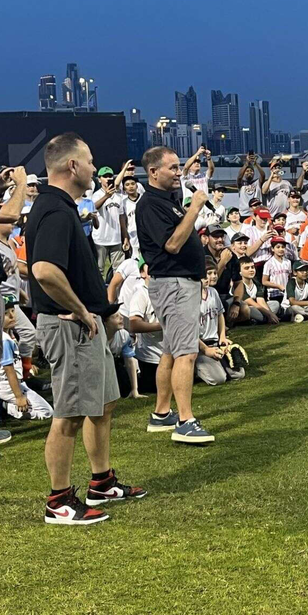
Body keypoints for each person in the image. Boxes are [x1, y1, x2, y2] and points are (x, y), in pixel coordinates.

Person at [26, 133, 145, 524]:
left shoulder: (60, 206)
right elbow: (44, 271)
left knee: (103, 404)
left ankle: (101, 481)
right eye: (90, 160)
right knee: (70, 414)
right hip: (69, 328)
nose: (94, 167)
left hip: (85, 324)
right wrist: (80, 309)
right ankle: (58, 500)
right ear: (72, 166)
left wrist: (100, 310)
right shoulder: (56, 210)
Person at [135, 146, 213, 443]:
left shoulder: (167, 200)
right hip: (174, 283)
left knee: (170, 350)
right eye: (173, 168)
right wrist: (194, 208)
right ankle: (185, 420)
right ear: (153, 172)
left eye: (179, 167)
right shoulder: (150, 205)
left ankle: (161, 412)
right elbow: (172, 244)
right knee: (186, 352)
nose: (179, 172)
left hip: (179, 282)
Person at [0, 295, 53, 420]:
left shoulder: (6, 335)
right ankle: (3, 406)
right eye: (5, 313)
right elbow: (9, 369)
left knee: (44, 409)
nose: (11, 316)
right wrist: (19, 396)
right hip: (7, 385)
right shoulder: (4, 339)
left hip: (8, 384)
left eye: (13, 311)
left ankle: (4, 405)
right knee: (46, 412)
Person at [0, 217, 37, 379]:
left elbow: (10, 273)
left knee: (8, 339)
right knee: (28, 333)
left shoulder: (7, 242)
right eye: (7, 221)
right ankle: (24, 373)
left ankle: (14, 375)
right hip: (1, 299)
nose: (13, 222)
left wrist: (19, 291)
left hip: (10, 296)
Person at [197, 259, 246, 385]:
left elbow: (220, 315)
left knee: (239, 373)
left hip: (215, 343)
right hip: (200, 346)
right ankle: (194, 369)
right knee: (219, 379)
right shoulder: (192, 297)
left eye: (214, 273)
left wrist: (222, 336)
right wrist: (205, 349)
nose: (213, 276)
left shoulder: (213, 292)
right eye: (208, 273)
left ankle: (216, 365)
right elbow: (189, 330)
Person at [91, 166, 130, 279]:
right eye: (105, 176)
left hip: (116, 238)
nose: (108, 179)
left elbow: (121, 218)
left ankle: (116, 295)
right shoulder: (96, 195)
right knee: (99, 270)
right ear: (99, 179)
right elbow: (94, 208)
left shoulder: (118, 197)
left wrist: (125, 236)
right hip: (100, 239)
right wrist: (106, 196)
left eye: (110, 176)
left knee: (119, 270)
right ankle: (100, 294)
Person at [128, 266, 162, 396]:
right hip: (150, 357)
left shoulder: (168, 291)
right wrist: (162, 326)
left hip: (171, 353)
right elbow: (134, 324)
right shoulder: (141, 294)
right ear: (142, 273)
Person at [232, 256, 277, 324]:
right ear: (239, 272)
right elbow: (250, 302)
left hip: (257, 307)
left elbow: (261, 301)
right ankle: (263, 319)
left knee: (275, 304)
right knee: (250, 309)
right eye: (247, 268)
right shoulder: (239, 284)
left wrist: (270, 313)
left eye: (252, 267)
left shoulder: (256, 282)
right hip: (243, 308)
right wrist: (269, 314)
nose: (251, 270)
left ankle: (260, 319)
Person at [261, 237, 292, 317]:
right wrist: (278, 286)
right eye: (278, 247)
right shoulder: (269, 263)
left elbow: (289, 277)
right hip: (274, 294)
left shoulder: (287, 262)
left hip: (286, 293)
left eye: (283, 247)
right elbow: (264, 281)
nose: (281, 249)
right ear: (272, 249)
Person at [242, 206, 275, 272]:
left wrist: (276, 240)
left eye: (265, 218)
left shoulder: (271, 231)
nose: (264, 220)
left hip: (270, 264)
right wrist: (262, 240)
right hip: (256, 264)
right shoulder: (248, 231)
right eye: (261, 217)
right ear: (254, 217)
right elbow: (248, 253)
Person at [236, 153, 265, 217]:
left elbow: (263, 175)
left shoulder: (257, 182)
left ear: (254, 173)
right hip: (243, 213)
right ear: (244, 173)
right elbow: (239, 176)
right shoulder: (241, 183)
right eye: (247, 171)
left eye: (251, 171)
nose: (249, 172)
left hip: (257, 212)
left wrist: (256, 163)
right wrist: (247, 162)